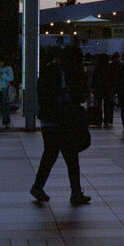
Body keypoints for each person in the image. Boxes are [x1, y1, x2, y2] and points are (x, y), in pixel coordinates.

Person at [30, 46, 91, 205]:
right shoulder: (69, 73)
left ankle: (39, 186)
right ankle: (75, 192)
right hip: (61, 120)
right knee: (69, 156)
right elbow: (80, 96)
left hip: (51, 121)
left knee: (51, 154)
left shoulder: (51, 72)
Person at [90, 52, 115, 127]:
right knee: (107, 105)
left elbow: (94, 78)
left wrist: (92, 87)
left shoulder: (98, 68)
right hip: (107, 88)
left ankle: (98, 119)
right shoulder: (109, 67)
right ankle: (107, 119)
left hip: (99, 88)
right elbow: (112, 78)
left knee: (98, 104)